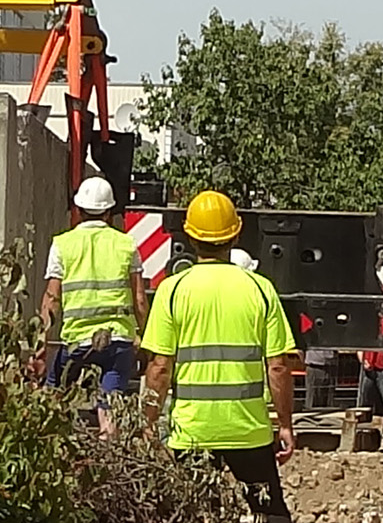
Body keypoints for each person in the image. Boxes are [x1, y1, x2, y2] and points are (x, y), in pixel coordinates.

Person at [142, 190, 297, 523]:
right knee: (270, 513)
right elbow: (279, 367)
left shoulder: (172, 290)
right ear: (236, 234)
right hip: (248, 429)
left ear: (190, 235)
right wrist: (285, 425)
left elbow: (159, 367)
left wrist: (148, 423)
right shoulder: (260, 289)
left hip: (192, 430)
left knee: (194, 514)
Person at [40, 176, 148, 437]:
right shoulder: (126, 244)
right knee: (109, 403)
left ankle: (55, 447)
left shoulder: (62, 244)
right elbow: (140, 300)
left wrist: (41, 343)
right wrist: (144, 339)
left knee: (53, 390)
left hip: (77, 342)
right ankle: (108, 456)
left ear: (78, 210)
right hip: (118, 341)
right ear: (109, 212)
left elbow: (52, 299)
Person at [356, 351, 383, 429]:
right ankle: (361, 425)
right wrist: (362, 360)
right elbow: (359, 345)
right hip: (368, 369)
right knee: (364, 399)